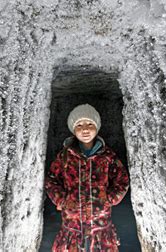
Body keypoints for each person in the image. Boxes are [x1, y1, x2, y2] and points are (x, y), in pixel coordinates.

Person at [45, 104, 129, 251]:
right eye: (79, 125)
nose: (85, 129)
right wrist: (62, 200)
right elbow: (52, 179)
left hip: (100, 226)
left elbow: (122, 179)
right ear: (73, 129)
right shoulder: (65, 156)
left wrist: (109, 198)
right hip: (72, 226)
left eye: (90, 124)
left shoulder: (107, 156)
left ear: (97, 127)